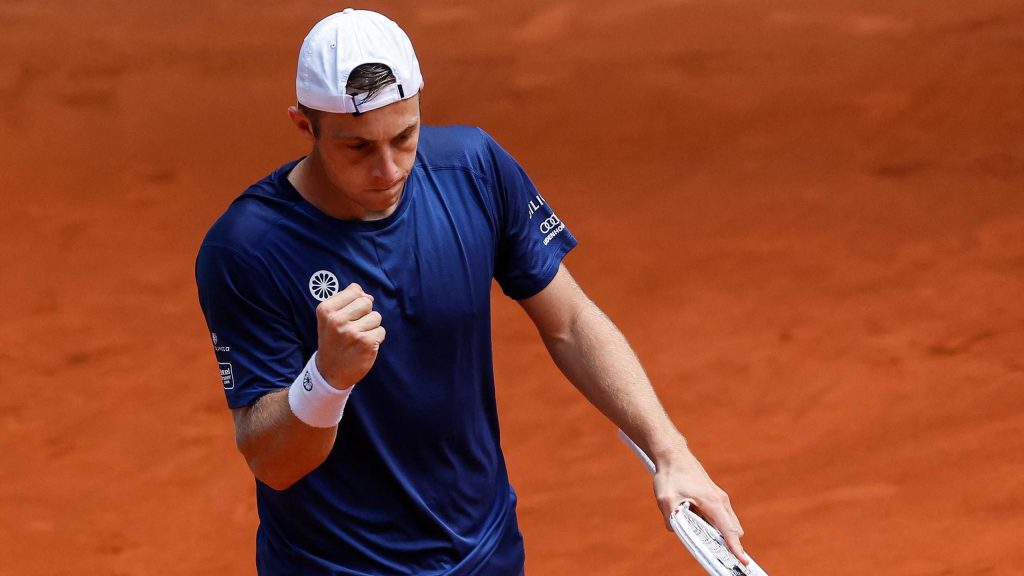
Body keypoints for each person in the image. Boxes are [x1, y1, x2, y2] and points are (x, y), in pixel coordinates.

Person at [196, 8, 748, 575]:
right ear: (304, 126)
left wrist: (669, 451)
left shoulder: (474, 170)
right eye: (357, 147)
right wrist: (327, 379)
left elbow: (570, 321)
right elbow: (273, 462)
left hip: (487, 555)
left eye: (404, 136)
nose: (388, 169)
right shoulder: (246, 249)